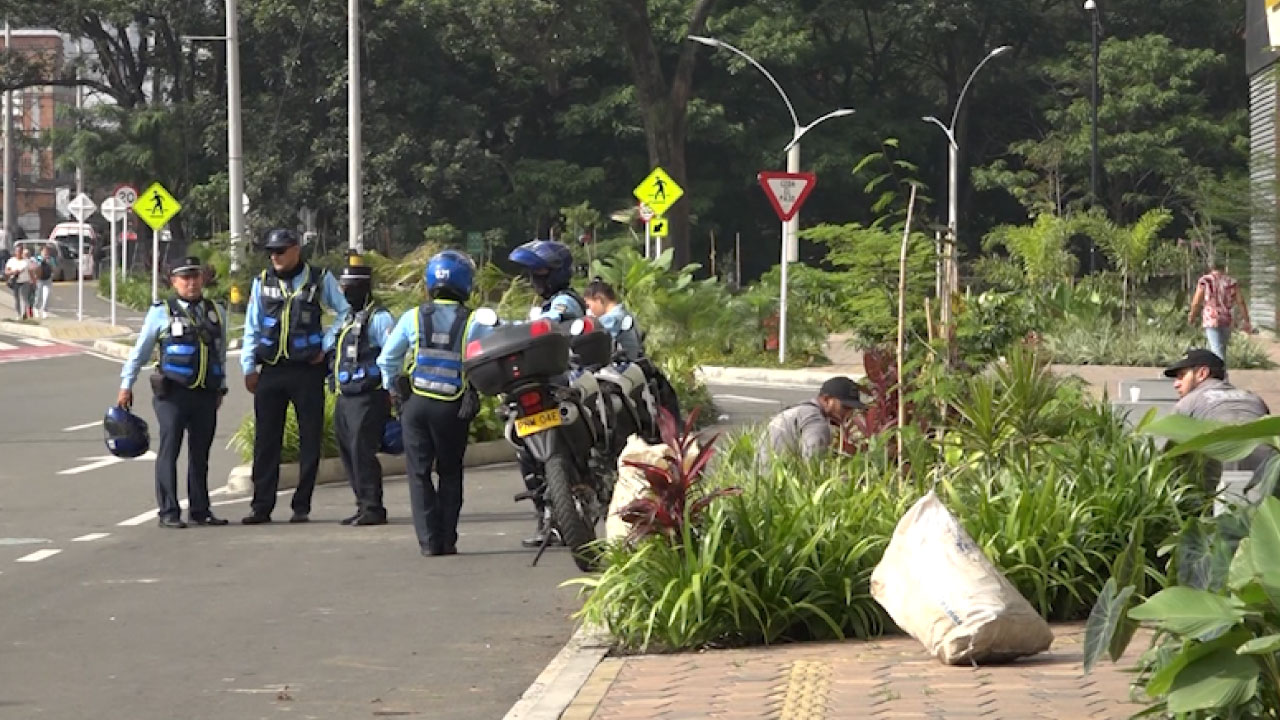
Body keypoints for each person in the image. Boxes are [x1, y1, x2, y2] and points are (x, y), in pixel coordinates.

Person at [378, 250, 489, 556]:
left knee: (419, 473)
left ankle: (429, 542)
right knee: (450, 472)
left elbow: (387, 359)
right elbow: (492, 357)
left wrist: (394, 389)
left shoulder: (412, 317)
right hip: (453, 406)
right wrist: (477, 390)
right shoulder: (475, 321)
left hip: (416, 405)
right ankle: (448, 539)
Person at [240, 229, 349, 524]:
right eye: (271, 252)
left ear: (296, 250)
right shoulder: (261, 282)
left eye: (280, 251)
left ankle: (302, 505)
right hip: (271, 370)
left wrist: (325, 346)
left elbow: (345, 312)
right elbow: (251, 326)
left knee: (309, 439)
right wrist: (248, 366)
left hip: (307, 370)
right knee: (265, 442)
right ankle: (260, 506)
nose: (274, 256)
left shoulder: (318, 278)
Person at [118, 257, 229, 528]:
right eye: (184, 278)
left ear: (203, 279)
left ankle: (201, 510)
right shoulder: (161, 312)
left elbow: (220, 352)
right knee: (170, 450)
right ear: (174, 281)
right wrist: (126, 384)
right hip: (173, 393)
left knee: (200, 454)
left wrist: (221, 386)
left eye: (195, 276)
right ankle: (168, 512)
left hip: (205, 393)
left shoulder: (216, 310)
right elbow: (141, 351)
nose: (191, 283)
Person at [507, 239, 585, 547]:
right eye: (531, 272)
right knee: (523, 444)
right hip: (540, 381)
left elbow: (549, 323)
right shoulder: (540, 306)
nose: (533, 279)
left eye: (539, 271)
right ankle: (544, 515)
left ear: (556, 271)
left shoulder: (566, 301)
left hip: (566, 381)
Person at [332, 258, 396, 526]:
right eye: (343, 287)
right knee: (348, 451)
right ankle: (361, 504)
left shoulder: (380, 318)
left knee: (362, 450)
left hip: (369, 395)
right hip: (345, 395)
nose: (346, 292)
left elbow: (392, 352)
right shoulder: (345, 317)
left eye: (351, 287)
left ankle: (373, 507)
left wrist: (392, 389)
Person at [1165, 348, 1273, 478]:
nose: (1176, 384)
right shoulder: (1253, 398)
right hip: (1267, 469)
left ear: (1202, 373)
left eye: (1181, 376)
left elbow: (1169, 455)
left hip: (1222, 472)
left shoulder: (1188, 402)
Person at [757, 376, 865, 467]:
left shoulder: (798, 411)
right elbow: (813, 463)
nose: (849, 413)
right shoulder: (815, 421)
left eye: (852, 408)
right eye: (845, 407)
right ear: (826, 400)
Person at [1188, 260, 1252, 365]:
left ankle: (1221, 375)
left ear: (1211, 267)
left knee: (1216, 349)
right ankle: (1216, 373)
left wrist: (1192, 316)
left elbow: (1196, 302)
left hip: (1211, 318)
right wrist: (1246, 319)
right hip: (1226, 318)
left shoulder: (1205, 281)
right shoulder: (1231, 282)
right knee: (1221, 348)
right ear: (1224, 268)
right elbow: (1240, 301)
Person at [582, 278, 644, 361]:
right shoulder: (625, 313)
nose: (589, 310)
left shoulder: (612, 319)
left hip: (623, 364)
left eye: (589, 305)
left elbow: (587, 337)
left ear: (599, 299)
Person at [5, 245, 35, 319]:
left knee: (25, 298)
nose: (19, 253)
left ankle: (25, 313)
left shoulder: (26, 261)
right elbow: (6, 271)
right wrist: (13, 272)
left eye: (20, 251)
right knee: (16, 298)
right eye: (17, 251)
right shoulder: (11, 260)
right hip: (15, 282)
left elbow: (31, 272)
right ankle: (18, 314)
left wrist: (33, 281)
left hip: (25, 281)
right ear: (15, 252)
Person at [35, 245, 57, 318]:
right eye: (44, 251)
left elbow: (54, 268)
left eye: (47, 252)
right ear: (41, 252)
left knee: (47, 295)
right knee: (38, 295)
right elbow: (35, 267)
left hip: (48, 279)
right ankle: (36, 308)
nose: (46, 253)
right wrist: (42, 261)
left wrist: (49, 263)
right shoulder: (37, 258)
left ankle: (45, 310)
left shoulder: (51, 259)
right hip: (39, 279)